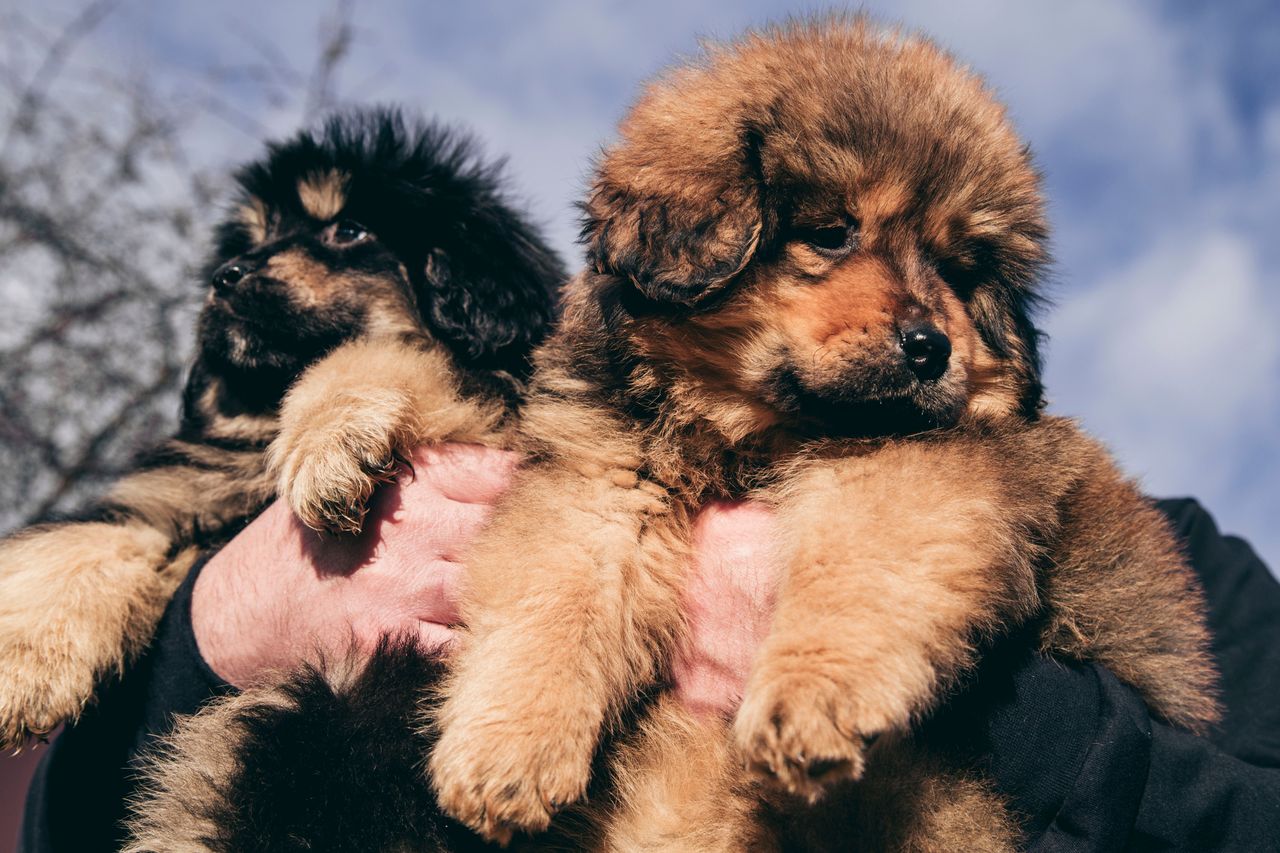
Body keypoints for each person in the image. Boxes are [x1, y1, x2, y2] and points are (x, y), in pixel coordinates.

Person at [20, 444, 1280, 851]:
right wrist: (208, 639)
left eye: (967, 272)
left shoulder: (1171, 561)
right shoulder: (559, 475)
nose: (908, 320)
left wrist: (949, 687)